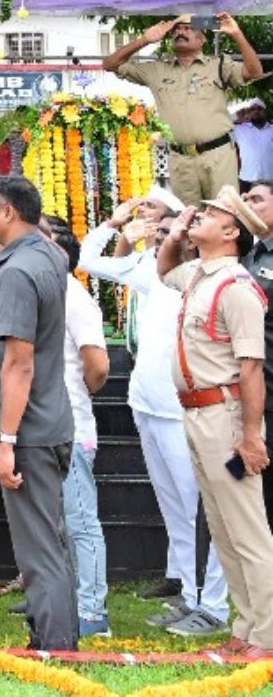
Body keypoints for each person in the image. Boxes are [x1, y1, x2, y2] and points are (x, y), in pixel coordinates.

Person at [81, 194, 229, 632]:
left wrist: (177, 216)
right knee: (173, 509)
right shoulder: (150, 269)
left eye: (171, 232)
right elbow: (89, 259)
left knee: (197, 510)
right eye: (159, 234)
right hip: (147, 403)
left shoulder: (207, 276)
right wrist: (114, 222)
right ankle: (189, 593)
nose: (162, 240)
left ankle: (213, 604)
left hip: (188, 408)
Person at [157, 187, 273, 656]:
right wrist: (178, 231)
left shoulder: (238, 287)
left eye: (211, 213)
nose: (198, 214)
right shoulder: (202, 276)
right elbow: (164, 269)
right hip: (197, 413)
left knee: (247, 531)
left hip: (224, 416)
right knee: (222, 529)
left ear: (230, 233)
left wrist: (250, 436)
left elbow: (251, 368)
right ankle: (245, 629)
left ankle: (265, 634)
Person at [0, 175, 76, 650]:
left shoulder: (18, 272)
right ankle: (55, 635)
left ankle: (54, 648)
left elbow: (19, 361)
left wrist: (6, 441)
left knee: (39, 551)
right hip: (47, 420)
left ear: (9, 212)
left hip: (28, 431)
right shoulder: (46, 255)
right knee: (49, 542)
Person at [105, 14, 264, 204]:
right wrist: (145, 39)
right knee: (187, 220)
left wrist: (236, 33)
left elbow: (255, 72)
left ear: (202, 39)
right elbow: (110, 64)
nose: (180, 32)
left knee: (225, 213)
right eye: (177, 30)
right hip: (180, 159)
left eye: (188, 28)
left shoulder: (218, 65)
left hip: (218, 155)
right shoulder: (156, 70)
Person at [42, 216, 112, 638]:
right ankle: (62, 598)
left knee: (81, 519)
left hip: (72, 425)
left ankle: (92, 612)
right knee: (55, 521)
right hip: (45, 425)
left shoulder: (74, 296)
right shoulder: (43, 293)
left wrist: (76, 396)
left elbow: (99, 366)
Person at [238, 181, 273, 537]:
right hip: (254, 390)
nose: (249, 204)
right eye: (245, 198)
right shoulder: (246, 255)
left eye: (258, 199)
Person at [232, 102, 273, 191]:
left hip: (270, 180)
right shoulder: (239, 129)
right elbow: (223, 124)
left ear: (265, 112)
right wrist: (238, 118)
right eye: (252, 109)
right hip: (247, 180)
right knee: (245, 205)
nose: (256, 111)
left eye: (259, 108)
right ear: (249, 113)